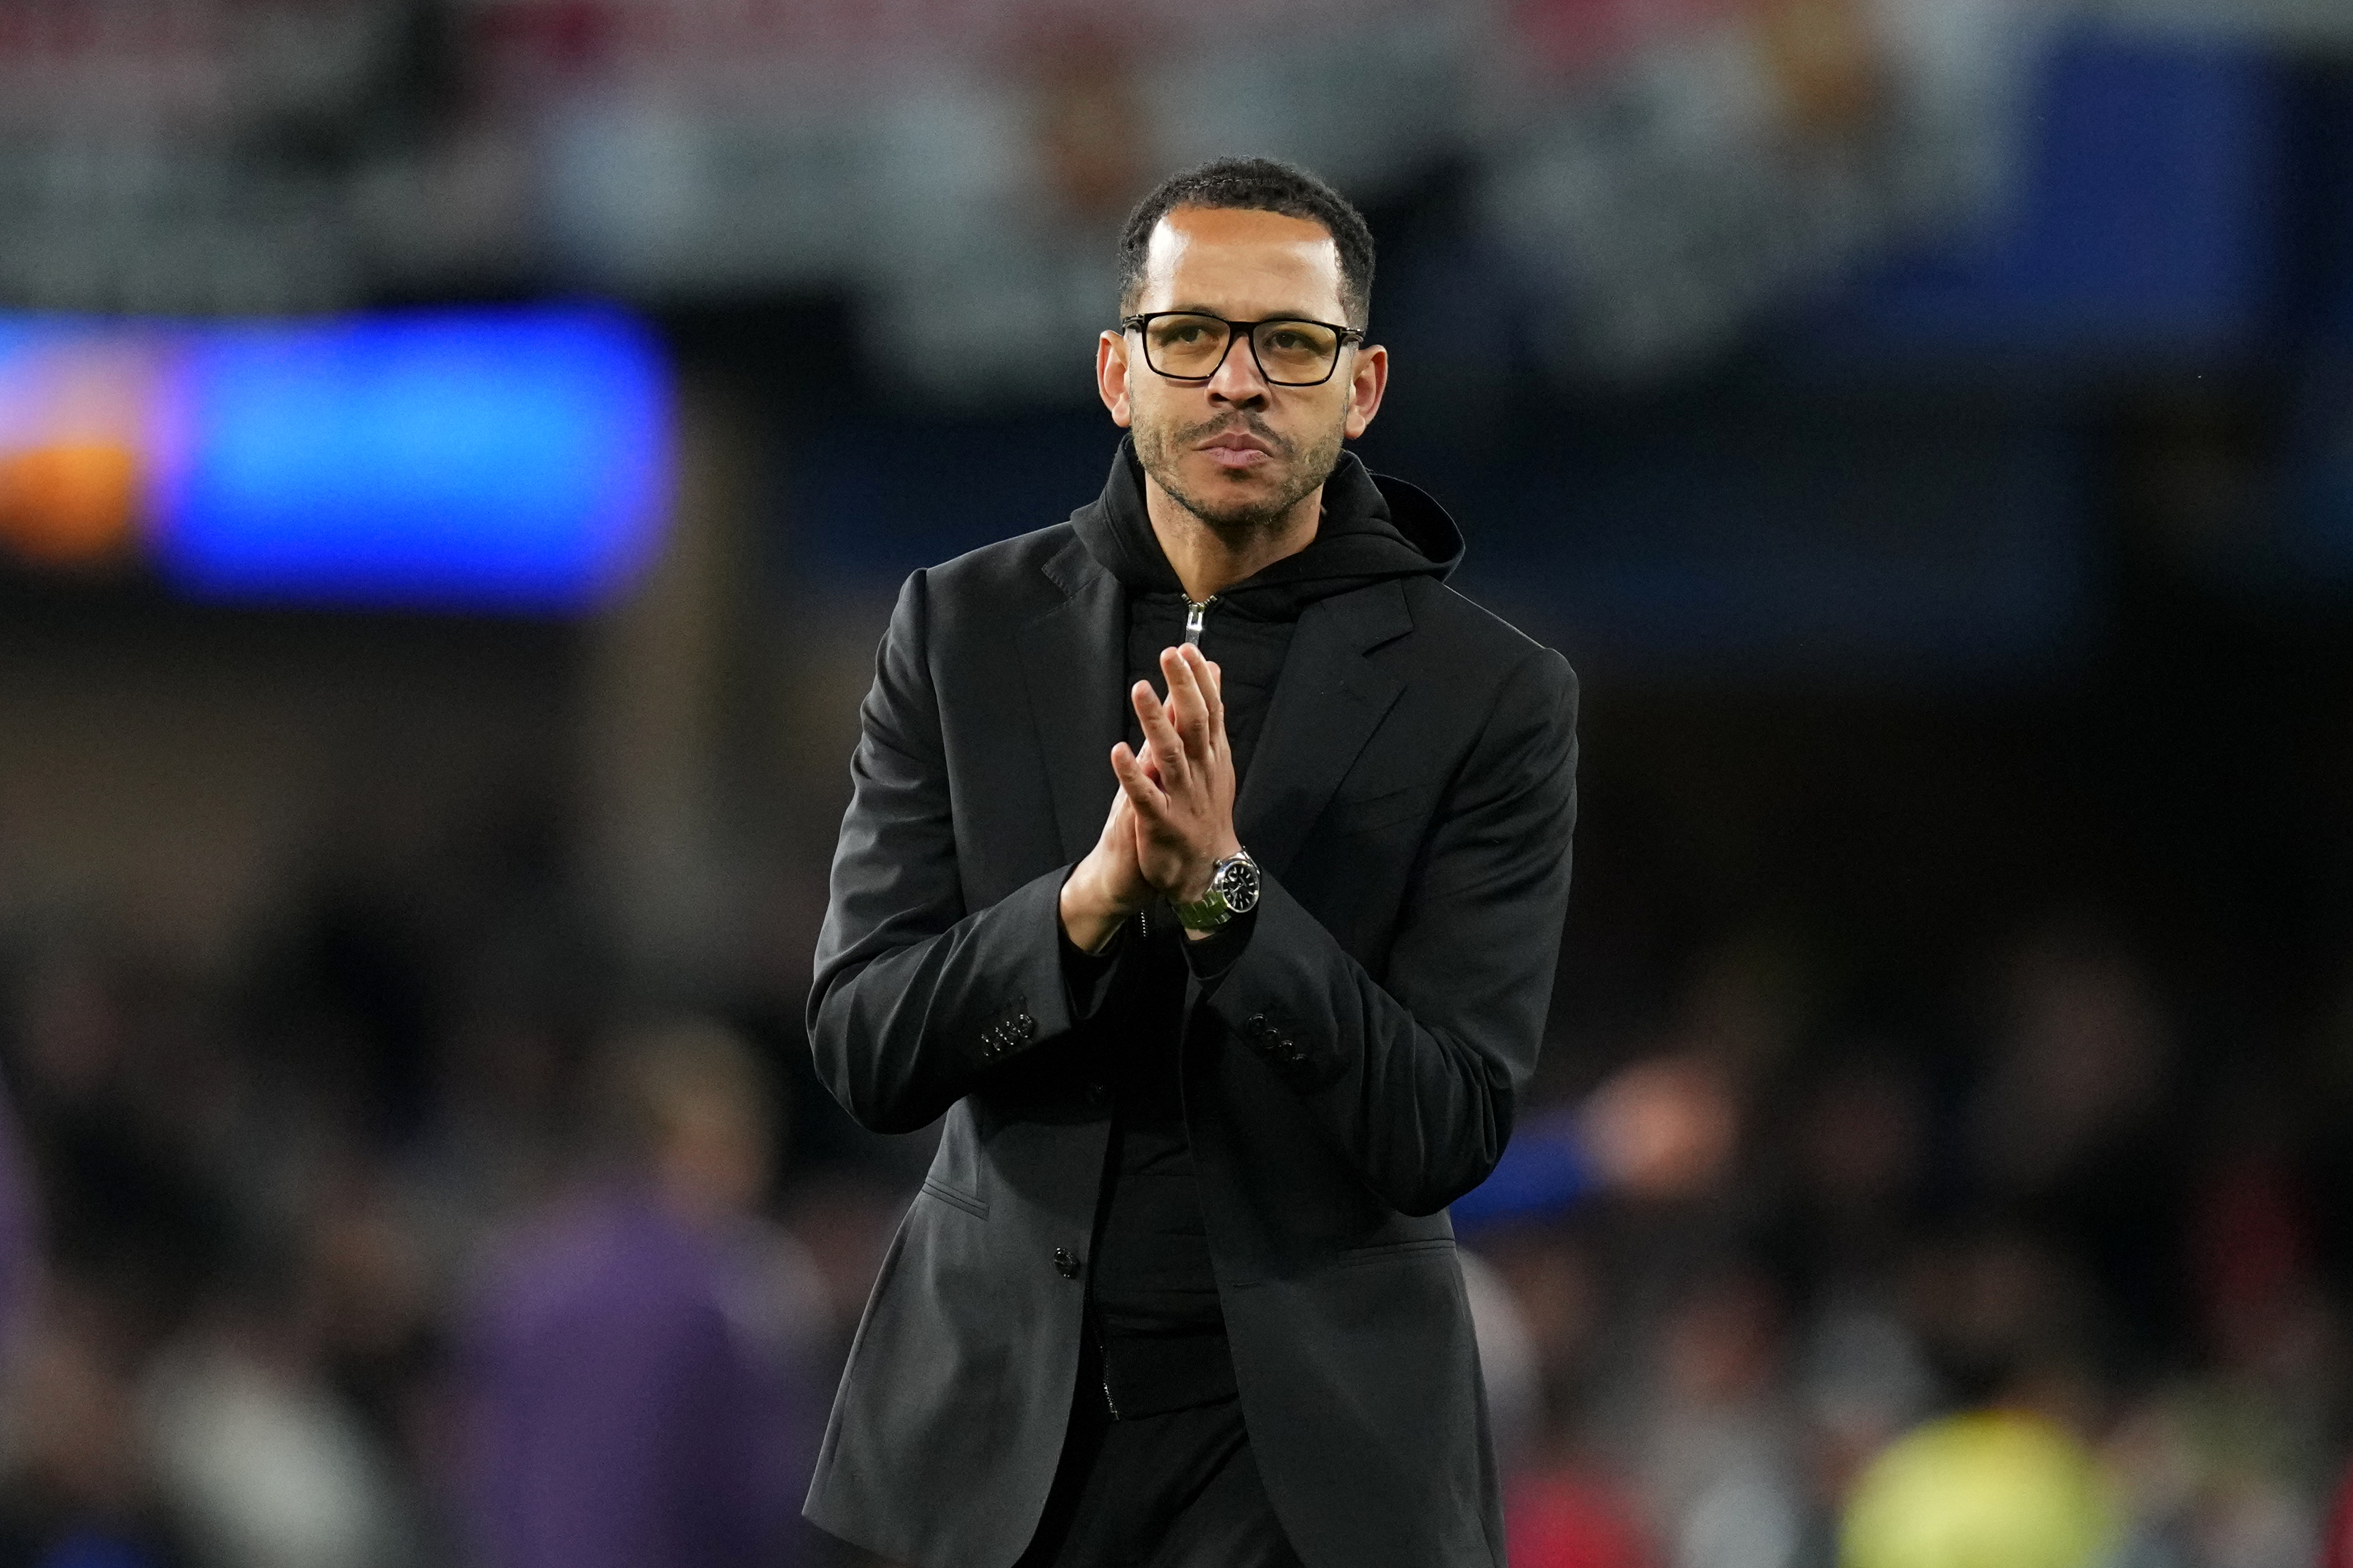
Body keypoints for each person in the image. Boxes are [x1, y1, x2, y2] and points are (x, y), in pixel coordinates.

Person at [804, 157, 1580, 1568]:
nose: (1238, 381)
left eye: (1290, 343)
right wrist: (1086, 908)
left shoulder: (1491, 696)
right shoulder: (959, 629)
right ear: (1119, 369)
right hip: (978, 1452)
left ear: (1362, 388)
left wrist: (1226, 901)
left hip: (1314, 1475)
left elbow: (1446, 1127)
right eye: (1191, 337)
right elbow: (863, 1041)